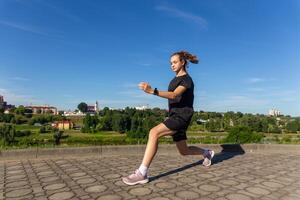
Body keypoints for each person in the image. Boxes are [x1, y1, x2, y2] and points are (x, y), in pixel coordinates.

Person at [122, 51, 214, 186]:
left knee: (153, 132)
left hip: (182, 117)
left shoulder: (187, 80)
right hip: (175, 116)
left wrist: (153, 91)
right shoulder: (174, 80)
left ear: (183, 62)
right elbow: (174, 99)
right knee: (184, 151)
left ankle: (142, 173)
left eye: (175, 62)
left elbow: (175, 95)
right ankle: (207, 153)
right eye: (170, 63)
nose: (172, 65)